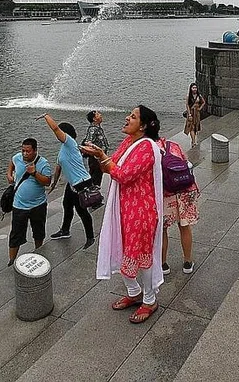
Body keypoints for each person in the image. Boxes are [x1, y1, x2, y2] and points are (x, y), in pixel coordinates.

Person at [83, 105, 164, 324]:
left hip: (142, 211)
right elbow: (110, 167)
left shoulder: (146, 147)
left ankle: (149, 300)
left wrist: (101, 156)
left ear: (144, 126)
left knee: (142, 256)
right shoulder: (129, 142)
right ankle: (134, 292)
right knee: (125, 252)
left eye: (133, 116)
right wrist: (99, 157)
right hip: (125, 208)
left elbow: (123, 175)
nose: (127, 118)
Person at [43, 114, 96, 250]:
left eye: (61, 132)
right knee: (67, 205)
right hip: (72, 183)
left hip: (81, 182)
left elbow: (55, 129)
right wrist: (54, 184)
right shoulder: (63, 149)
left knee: (82, 211)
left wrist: (46, 116)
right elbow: (59, 167)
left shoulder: (71, 143)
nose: (57, 135)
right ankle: (65, 230)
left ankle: (90, 237)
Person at [6, 138, 52, 264]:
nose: (25, 154)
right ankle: (12, 259)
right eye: (23, 151)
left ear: (35, 151)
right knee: (16, 233)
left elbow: (47, 182)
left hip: (38, 205)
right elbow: (12, 162)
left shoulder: (43, 164)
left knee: (38, 231)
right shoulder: (18, 158)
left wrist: (34, 173)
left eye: (28, 151)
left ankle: (39, 251)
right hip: (19, 205)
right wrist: (9, 175)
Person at [159, 137, 199, 275]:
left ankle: (163, 265)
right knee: (184, 226)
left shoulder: (148, 150)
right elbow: (187, 164)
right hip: (185, 190)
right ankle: (187, 262)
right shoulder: (174, 145)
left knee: (163, 230)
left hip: (165, 193)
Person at [83, 110, 109, 188]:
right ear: (94, 119)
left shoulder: (97, 128)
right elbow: (87, 142)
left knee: (98, 175)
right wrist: (96, 149)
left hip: (99, 157)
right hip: (95, 157)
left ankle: (94, 192)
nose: (100, 115)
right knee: (96, 175)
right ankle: (93, 194)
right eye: (98, 114)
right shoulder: (93, 129)